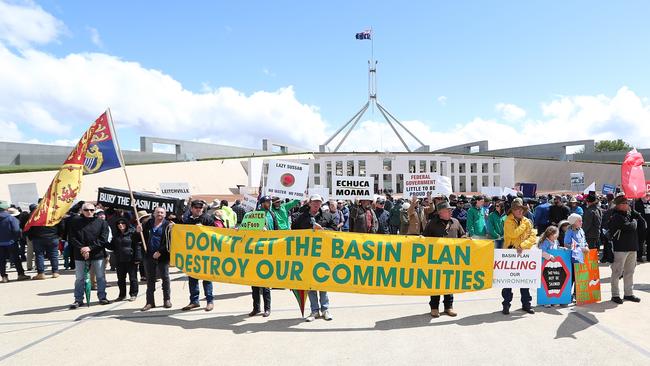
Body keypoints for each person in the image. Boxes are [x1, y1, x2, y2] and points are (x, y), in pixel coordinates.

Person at [292, 194, 333, 322]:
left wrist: (323, 229)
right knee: (310, 284)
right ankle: (314, 311)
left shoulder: (327, 216)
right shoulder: (300, 218)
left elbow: (335, 231)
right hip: (307, 255)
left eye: (318, 202)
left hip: (322, 254)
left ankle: (325, 309)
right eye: (314, 202)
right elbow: (293, 232)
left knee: (322, 282)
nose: (316, 204)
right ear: (309, 203)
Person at [422, 201, 465, 317]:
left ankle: (448, 307)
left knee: (449, 284)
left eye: (451, 210)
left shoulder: (455, 222)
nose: (451, 211)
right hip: (436, 260)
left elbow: (462, 235)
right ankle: (434, 307)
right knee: (436, 285)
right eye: (448, 210)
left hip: (451, 260)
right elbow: (424, 238)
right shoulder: (432, 223)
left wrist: (467, 239)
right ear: (440, 212)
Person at [68, 203, 110, 308]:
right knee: (79, 278)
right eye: (86, 210)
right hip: (80, 254)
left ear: (95, 210)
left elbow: (103, 239)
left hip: (97, 254)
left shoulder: (101, 223)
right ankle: (78, 299)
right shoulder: (74, 222)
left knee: (100, 277)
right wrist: (82, 248)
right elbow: (72, 238)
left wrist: (90, 248)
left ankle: (102, 297)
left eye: (91, 210)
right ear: (82, 210)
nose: (89, 212)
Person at [501, 198, 537, 315]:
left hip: (524, 254)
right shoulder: (508, 221)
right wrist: (524, 225)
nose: (519, 211)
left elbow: (533, 237)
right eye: (517, 209)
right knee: (508, 282)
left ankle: (526, 304)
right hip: (510, 254)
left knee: (525, 281)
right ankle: (506, 304)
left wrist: (522, 245)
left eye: (521, 209)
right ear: (512, 210)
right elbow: (513, 234)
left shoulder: (527, 220)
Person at [182, 200, 215, 311]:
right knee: (192, 278)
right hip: (192, 254)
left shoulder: (208, 219)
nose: (198, 209)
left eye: (200, 207)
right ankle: (194, 301)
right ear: (191, 208)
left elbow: (216, 234)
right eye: (196, 207)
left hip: (205, 254)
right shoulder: (187, 219)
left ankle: (209, 301)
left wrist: (203, 229)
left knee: (207, 279)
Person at [608, 195, 642, 304]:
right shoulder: (616, 216)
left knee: (630, 272)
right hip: (621, 249)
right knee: (617, 272)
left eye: (627, 203)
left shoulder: (629, 214)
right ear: (619, 205)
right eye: (625, 203)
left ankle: (628, 293)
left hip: (632, 247)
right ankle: (615, 295)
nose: (627, 205)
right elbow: (630, 227)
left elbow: (643, 223)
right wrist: (635, 221)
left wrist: (636, 215)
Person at [138, 206, 172, 311]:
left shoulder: (168, 225)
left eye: (162, 212)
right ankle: (149, 302)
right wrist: (138, 231)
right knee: (150, 279)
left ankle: (167, 299)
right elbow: (137, 239)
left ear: (165, 214)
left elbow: (170, 241)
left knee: (165, 278)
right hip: (148, 255)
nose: (159, 214)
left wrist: (160, 252)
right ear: (153, 213)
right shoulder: (147, 223)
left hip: (163, 256)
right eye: (157, 212)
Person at [249, 196, 275, 317]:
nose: (269, 203)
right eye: (266, 202)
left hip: (268, 250)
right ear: (261, 203)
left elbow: (276, 229)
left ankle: (267, 308)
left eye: (269, 202)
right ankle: (256, 308)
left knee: (265, 282)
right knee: (254, 282)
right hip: (256, 250)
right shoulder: (255, 214)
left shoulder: (272, 214)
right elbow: (248, 228)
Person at [108, 217, 141, 302]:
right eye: (119, 224)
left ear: (126, 224)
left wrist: (137, 258)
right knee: (121, 279)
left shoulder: (132, 233)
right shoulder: (116, 235)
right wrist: (104, 242)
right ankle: (122, 295)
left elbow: (137, 246)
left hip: (131, 259)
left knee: (133, 278)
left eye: (123, 223)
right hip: (119, 260)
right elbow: (112, 247)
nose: (120, 225)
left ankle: (133, 294)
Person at [0, 201, 30, 282]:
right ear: (6, 209)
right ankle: (20, 274)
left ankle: (4, 276)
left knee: (2, 260)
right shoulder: (11, 218)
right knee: (16, 259)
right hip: (11, 242)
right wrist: (16, 238)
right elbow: (17, 230)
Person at [634, 192, 650, 262]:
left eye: (648, 196)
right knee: (641, 242)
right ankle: (639, 256)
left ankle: (649, 257)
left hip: (649, 225)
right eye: (646, 195)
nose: (647, 197)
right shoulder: (638, 203)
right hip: (641, 226)